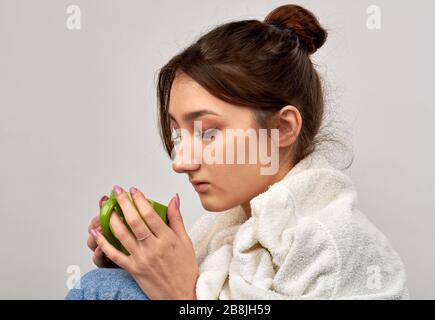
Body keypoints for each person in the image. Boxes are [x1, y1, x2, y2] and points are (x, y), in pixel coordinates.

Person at [65, 4, 409, 300]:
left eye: (209, 132)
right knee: (110, 284)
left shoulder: (328, 243)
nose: (180, 162)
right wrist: (142, 270)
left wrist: (183, 294)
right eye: (178, 135)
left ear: (282, 129)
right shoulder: (225, 232)